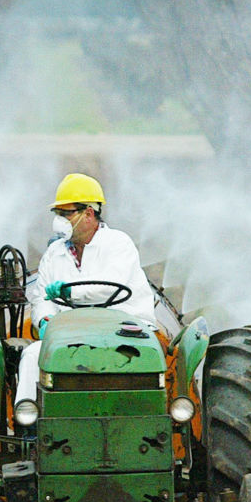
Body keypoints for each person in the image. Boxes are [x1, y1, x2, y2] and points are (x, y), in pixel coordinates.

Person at [16, 173, 155, 407]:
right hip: (69, 336)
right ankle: (28, 425)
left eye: (66, 214)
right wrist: (44, 320)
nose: (59, 220)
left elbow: (108, 287)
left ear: (89, 214)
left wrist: (68, 293)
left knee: (140, 362)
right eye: (57, 214)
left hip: (125, 332)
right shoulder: (54, 254)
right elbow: (41, 297)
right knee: (31, 355)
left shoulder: (119, 244)